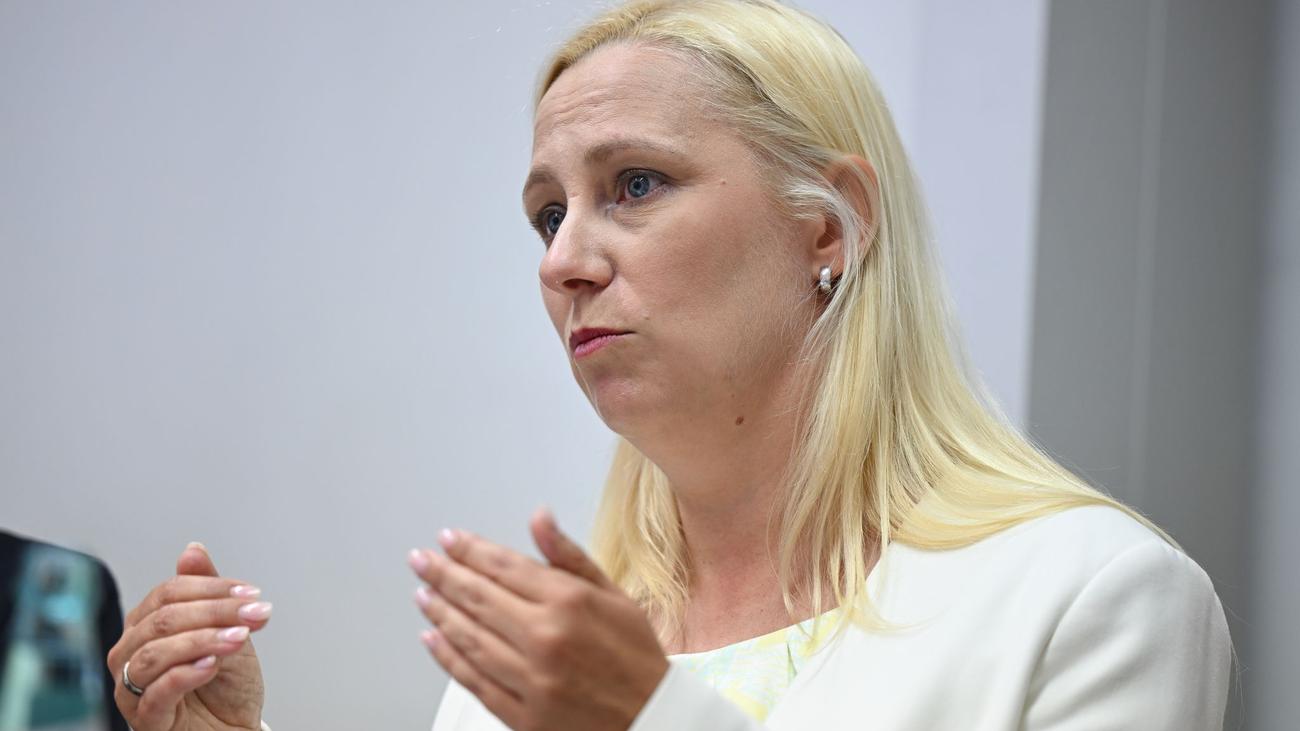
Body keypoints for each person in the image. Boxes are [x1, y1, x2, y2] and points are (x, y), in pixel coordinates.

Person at [107, 1, 1233, 729]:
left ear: (829, 226)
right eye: (548, 213)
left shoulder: (1091, 598)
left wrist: (648, 717)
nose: (563, 260)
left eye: (634, 184)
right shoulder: (547, 645)